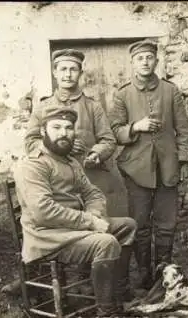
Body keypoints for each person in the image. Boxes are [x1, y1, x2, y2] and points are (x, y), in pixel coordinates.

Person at [14, 106, 137, 316]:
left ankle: (116, 293)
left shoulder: (70, 161)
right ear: (43, 131)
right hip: (47, 237)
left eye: (69, 128)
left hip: (73, 230)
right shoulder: (33, 165)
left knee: (127, 225)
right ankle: (107, 312)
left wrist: (95, 215)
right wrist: (90, 222)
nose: (63, 133)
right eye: (56, 127)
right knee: (105, 243)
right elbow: (44, 212)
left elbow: (93, 193)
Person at [108, 39, 188, 290]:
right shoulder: (123, 94)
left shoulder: (171, 90)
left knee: (167, 223)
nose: (145, 62)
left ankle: (163, 272)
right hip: (136, 170)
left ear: (156, 61)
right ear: (133, 63)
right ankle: (145, 274)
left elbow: (183, 129)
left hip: (168, 166)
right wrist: (136, 127)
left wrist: (185, 160)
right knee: (141, 225)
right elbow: (114, 131)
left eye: (149, 57)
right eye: (139, 58)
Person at [24, 48, 126, 218]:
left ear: (80, 73)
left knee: (99, 221)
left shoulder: (93, 106)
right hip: (56, 180)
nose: (68, 74)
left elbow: (108, 140)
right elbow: (30, 142)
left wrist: (96, 153)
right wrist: (59, 147)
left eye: (73, 69)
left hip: (90, 177)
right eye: (63, 69)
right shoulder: (43, 107)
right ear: (55, 72)